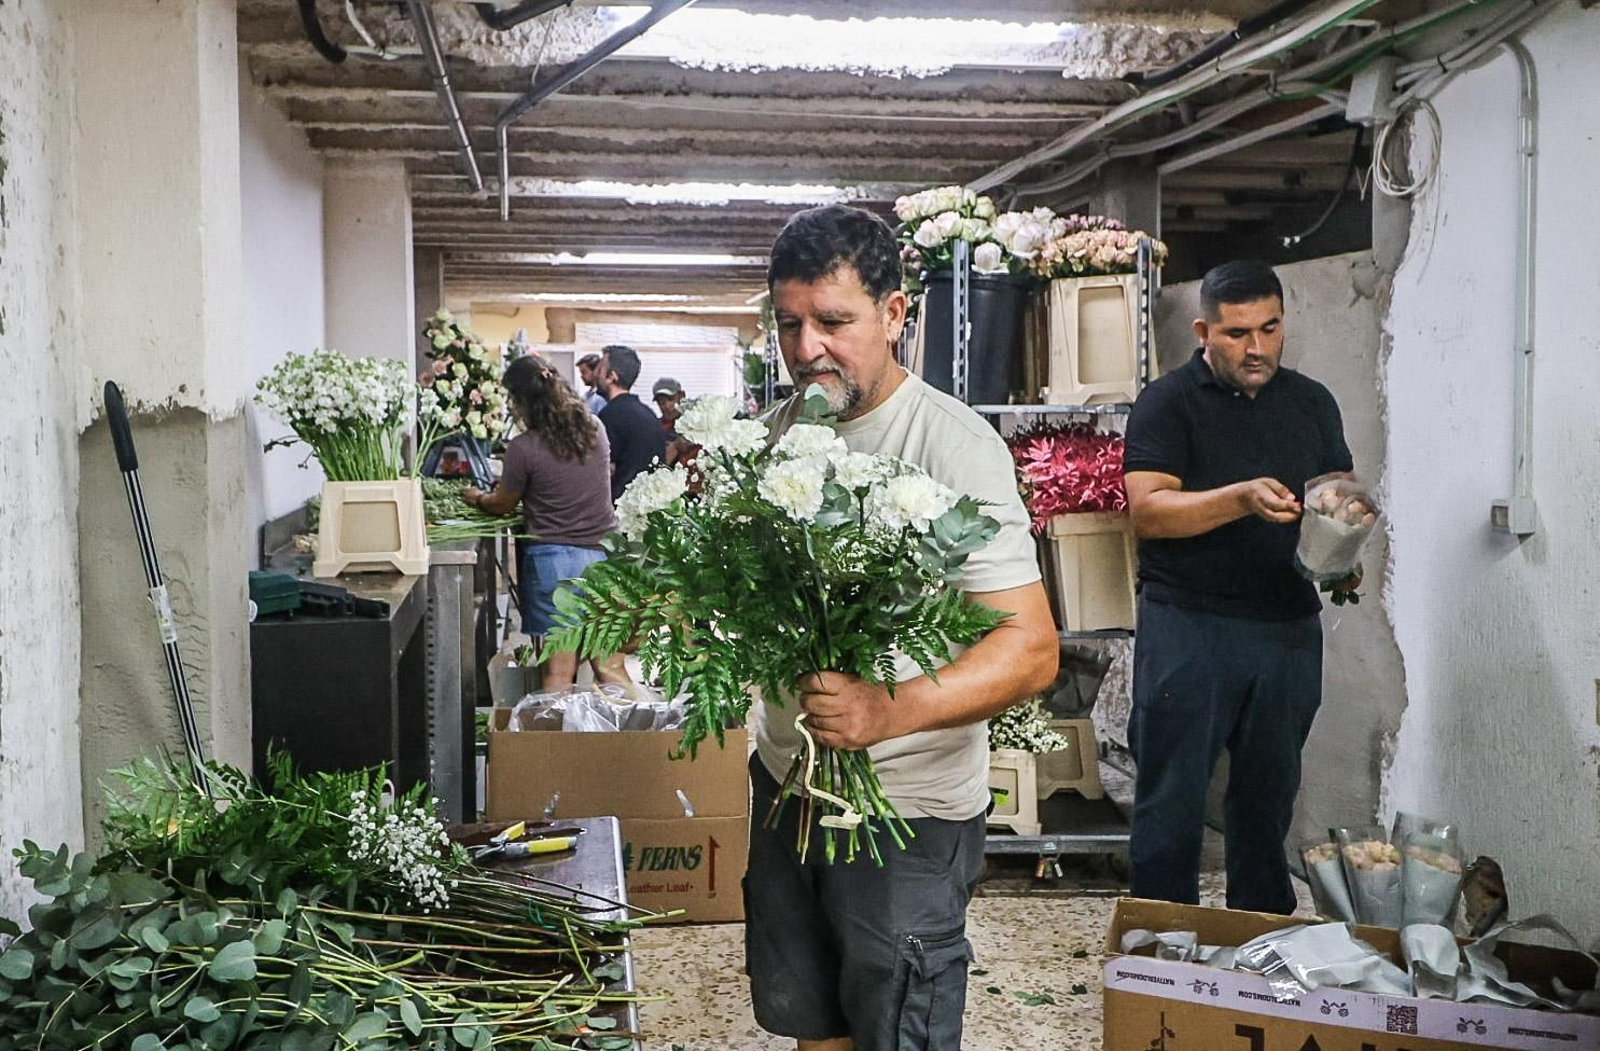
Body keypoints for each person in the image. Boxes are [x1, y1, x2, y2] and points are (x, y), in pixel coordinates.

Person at [747, 205, 1059, 1051]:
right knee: (811, 1020)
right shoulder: (778, 437)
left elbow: (1031, 648)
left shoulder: (952, 444)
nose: (806, 347)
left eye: (833, 321)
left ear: (894, 315)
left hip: (903, 817)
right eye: (789, 323)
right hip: (786, 789)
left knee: (900, 1034)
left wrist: (888, 711)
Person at [1122, 259, 1360, 915]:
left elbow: (1335, 496)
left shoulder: (1312, 403)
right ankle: (1159, 944)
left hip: (1285, 627)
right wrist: (1239, 498)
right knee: (1172, 794)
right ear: (1203, 330)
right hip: (1189, 624)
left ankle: (1260, 937)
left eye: (1269, 328)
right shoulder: (1168, 403)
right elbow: (1148, 510)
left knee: (1268, 793)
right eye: (1235, 333)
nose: (1255, 348)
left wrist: (1342, 549)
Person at [462, 356, 632, 689]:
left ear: (521, 401)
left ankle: (553, 742)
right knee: (609, 667)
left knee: (558, 672)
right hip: (602, 558)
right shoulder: (595, 429)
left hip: (554, 564)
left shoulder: (522, 448)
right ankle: (634, 738)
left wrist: (477, 498)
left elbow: (502, 504)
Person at [596, 344, 666, 502]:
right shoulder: (649, 415)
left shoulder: (609, 417)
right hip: (649, 507)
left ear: (611, 376)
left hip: (620, 509)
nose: (596, 374)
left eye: (600, 368)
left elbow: (602, 471)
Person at [651, 376, 700, 468]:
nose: (667, 406)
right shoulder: (655, 429)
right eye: (661, 402)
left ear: (682, 395)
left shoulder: (697, 422)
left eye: (671, 399)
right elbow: (654, 465)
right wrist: (676, 446)